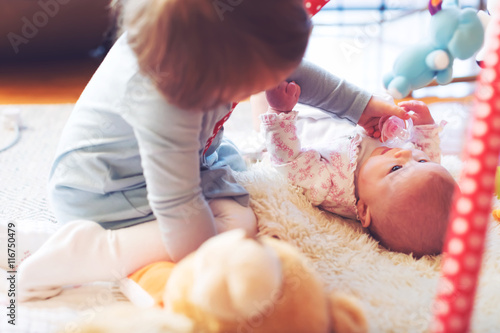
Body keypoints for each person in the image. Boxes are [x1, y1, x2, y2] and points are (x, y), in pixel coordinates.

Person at [15, 0, 410, 301]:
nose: (278, 83)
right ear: (221, 73)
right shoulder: (168, 104)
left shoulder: (210, 48)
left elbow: (293, 71)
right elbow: (177, 204)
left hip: (177, 165)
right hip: (106, 193)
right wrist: (214, 267)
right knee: (238, 227)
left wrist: (362, 107)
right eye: (264, 78)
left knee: (237, 182)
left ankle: (34, 241)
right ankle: (95, 251)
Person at [261, 81, 457, 257]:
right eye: (421, 161)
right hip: (348, 107)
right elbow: (430, 157)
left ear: (363, 210)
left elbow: (290, 161)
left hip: (303, 121)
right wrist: (425, 126)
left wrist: (279, 112)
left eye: (396, 168)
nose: (406, 154)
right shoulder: (415, 170)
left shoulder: (329, 185)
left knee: (265, 82)